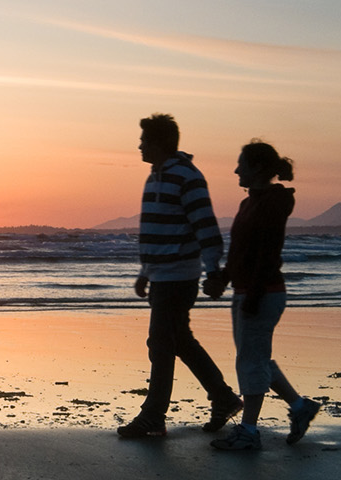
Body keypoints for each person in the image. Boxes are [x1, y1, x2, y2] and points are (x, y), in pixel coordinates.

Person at [118, 113, 242, 438]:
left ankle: (153, 416)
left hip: (179, 276)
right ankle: (224, 397)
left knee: (160, 343)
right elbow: (154, 230)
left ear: (158, 143)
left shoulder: (187, 176)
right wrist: (146, 272)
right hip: (161, 275)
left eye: (144, 140)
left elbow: (206, 226)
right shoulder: (155, 177)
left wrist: (213, 271)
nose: (139, 145)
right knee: (179, 341)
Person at [208, 140, 322, 451]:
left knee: (251, 360)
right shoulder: (249, 204)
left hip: (263, 293)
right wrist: (223, 279)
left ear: (257, 168)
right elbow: (239, 253)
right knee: (256, 358)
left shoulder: (273, 203)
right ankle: (300, 408)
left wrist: (253, 295)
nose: (235, 170)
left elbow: (266, 253)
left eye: (240, 164)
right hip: (248, 291)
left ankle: (248, 432)